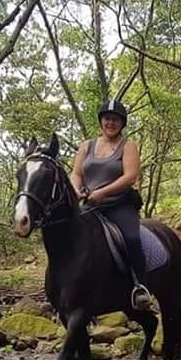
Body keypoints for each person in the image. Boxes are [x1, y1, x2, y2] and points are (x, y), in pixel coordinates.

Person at [70, 98, 153, 311]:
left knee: (132, 238)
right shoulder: (86, 146)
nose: (110, 123)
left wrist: (102, 193)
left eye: (115, 119)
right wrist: (77, 189)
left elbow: (131, 176)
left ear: (122, 123)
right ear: (101, 121)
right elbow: (76, 174)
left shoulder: (128, 147)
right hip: (88, 205)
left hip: (119, 205)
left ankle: (140, 287)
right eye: (107, 119)